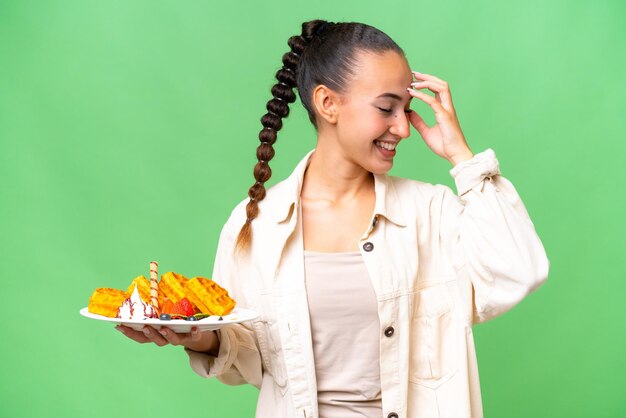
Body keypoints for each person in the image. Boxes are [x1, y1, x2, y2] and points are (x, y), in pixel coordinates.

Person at [117, 19, 549, 418]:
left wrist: (462, 158)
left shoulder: (430, 212)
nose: (402, 128)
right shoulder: (258, 223)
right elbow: (244, 359)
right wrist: (199, 336)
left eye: (405, 109)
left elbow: (518, 271)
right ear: (327, 103)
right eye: (386, 108)